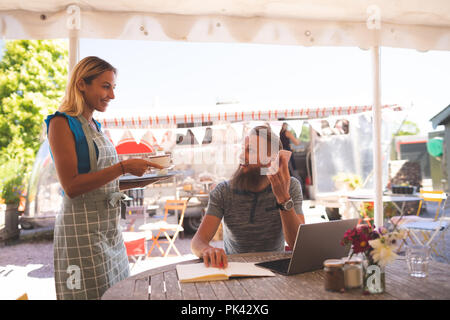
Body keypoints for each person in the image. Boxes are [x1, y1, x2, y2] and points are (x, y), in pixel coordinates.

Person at [45, 56, 162, 300]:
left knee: (116, 292)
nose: (112, 95)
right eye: (105, 86)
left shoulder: (95, 126)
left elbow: (100, 178)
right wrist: (123, 167)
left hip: (108, 230)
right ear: (81, 84)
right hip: (81, 235)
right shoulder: (61, 123)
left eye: (113, 87)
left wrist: (137, 179)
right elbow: (72, 186)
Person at [191, 125, 305, 268]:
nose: (241, 156)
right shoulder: (223, 192)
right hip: (235, 272)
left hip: (275, 272)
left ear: (271, 161)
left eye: (249, 150)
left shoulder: (290, 186)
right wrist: (206, 249)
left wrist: (283, 198)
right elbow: (197, 242)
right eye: (242, 149)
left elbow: (298, 245)